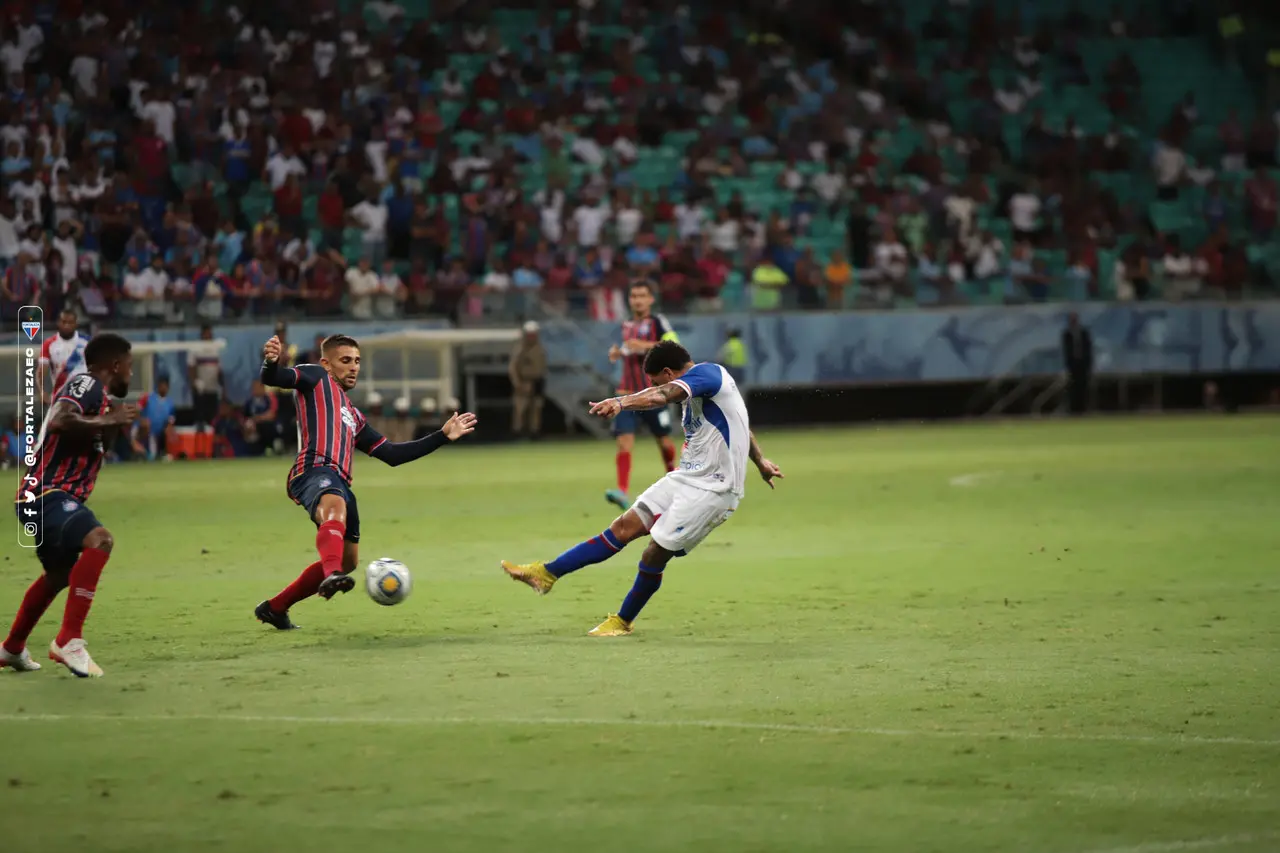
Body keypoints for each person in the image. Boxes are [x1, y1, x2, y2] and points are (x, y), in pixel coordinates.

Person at [502, 341, 783, 636]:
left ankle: (623, 621)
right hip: (686, 477)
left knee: (653, 554)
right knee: (623, 527)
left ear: (667, 372)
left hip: (714, 490)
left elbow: (663, 394)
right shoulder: (703, 392)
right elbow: (741, 424)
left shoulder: (709, 374)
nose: (654, 386)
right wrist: (761, 460)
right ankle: (546, 574)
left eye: (654, 380)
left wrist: (622, 402)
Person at [253, 333, 479, 629]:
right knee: (333, 514)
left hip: (340, 484)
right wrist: (270, 363)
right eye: (345, 360)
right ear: (327, 363)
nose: (353, 367)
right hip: (314, 470)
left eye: (357, 361)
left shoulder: (353, 416)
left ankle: (276, 607)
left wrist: (442, 436)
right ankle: (332, 575)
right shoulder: (316, 377)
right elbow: (277, 378)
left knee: (348, 561)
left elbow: (392, 454)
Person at [3, 334, 138, 677]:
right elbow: (62, 418)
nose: (132, 375)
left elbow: (91, 436)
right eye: (131, 367)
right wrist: (111, 421)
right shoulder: (86, 383)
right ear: (116, 365)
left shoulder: (103, 401)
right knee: (101, 540)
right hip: (48, 492)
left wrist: (113, 422)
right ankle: (68, 640)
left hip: (46, 496)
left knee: (59, 575)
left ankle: (12, 648)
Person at [604, 280, 680, 510]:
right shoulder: (626, 324)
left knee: (664, 441)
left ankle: (676, 484)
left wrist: (644, 345)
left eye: (641, 295)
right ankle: (622, 491)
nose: (637, 300)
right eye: (633, 296)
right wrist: (618, 352)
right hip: (626, 393)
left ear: (650, 299)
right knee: (623, 442)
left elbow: (674, 344)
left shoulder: (658, 321)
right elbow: (629, 349)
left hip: (654, 394)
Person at [37, 310, 88, 401]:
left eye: (70, 322)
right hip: (60, 395)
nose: (67, 326)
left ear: (76, 324)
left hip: (84, 394)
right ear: (58, 323)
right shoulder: (49, 344)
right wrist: (41, 391)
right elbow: (41, 371)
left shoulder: (87, 342)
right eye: (64, 322)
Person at [509, 320, 547, 440]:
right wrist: (518, 383)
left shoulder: (540, 349)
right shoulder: (520, 349)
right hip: (524, 381)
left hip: (537, 381)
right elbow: (512, 368)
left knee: (536, 407)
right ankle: (518, 432)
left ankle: (534, 432)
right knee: (520, 408)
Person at [187, 324, 223, 430]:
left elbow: (219, 369)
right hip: (200, 388)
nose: (208, 336)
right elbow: (191, 367)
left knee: (212, 418)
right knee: (200, 418)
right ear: (202, 334)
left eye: (209, 334)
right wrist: (195, 381)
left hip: (213, 387)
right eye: (206, 334)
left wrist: (222, 386)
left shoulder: (216, 348)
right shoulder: (195, 348)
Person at [135, 377, 178, 460]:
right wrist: (141, 420)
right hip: (143, 429)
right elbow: (136, 410)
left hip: (158, 432)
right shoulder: (148, 397)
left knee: (170, 432)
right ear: (158, 386)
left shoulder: (170, 403)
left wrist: (169, 428)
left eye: (165, 386)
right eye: (162, 386)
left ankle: (166, 453)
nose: (163, 388)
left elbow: (171, 419)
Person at [1062, 313, 1094, 415]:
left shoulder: (1084, 333)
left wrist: (1088, 362)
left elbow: (1088, 349)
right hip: (1073, 364)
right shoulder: (1067, 334)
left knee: (1083, 386)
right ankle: (1073, 408)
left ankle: (1084, 408)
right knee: (1072, 386)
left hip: (1083, 364)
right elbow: (1066, 350)